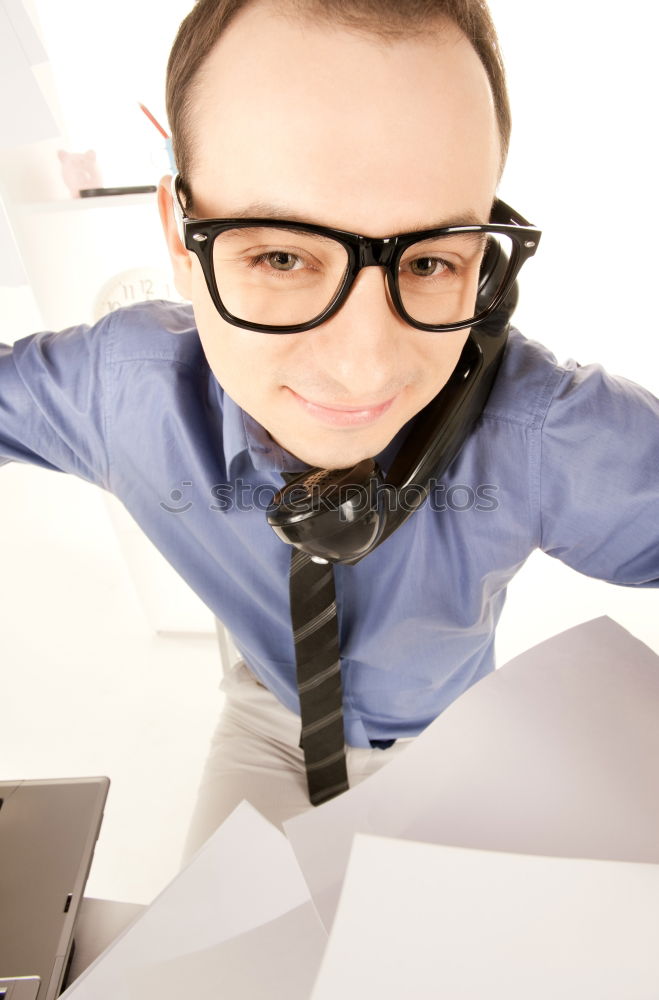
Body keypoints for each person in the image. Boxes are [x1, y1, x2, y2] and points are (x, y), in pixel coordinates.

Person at [1, 0, 658, 860]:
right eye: (279, 256)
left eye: (430, 260)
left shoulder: (548, 430)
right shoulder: (117, 388)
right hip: (264, 719)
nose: (362, 368)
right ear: (177, 233)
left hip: (451, 736)